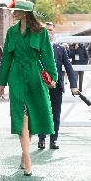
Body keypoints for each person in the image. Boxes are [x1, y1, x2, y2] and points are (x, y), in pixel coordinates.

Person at [0, 0, 58, 176]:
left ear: (24, 13)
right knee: (21, 117)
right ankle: (28, 159)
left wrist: (52, 78)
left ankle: (24, 157)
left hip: (34, 76)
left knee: (30, 118)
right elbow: (7, 59)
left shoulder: (41, 32)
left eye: (15, 10)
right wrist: (1, 83)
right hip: (16, 77)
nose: (12, 13)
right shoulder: (11, 32)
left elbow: (48, 56)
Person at [38, 22, 79, 150]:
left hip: (57, 87)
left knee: (55, 114)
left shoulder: (60, 49)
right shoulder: (36, 49)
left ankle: (53, 139)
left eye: (50, 30)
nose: (48, 32)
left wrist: (73, 85)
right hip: (41, 87)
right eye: (46, 30)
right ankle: (41, 139)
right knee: (42, 112)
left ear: (54, 32)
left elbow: (69, 68)